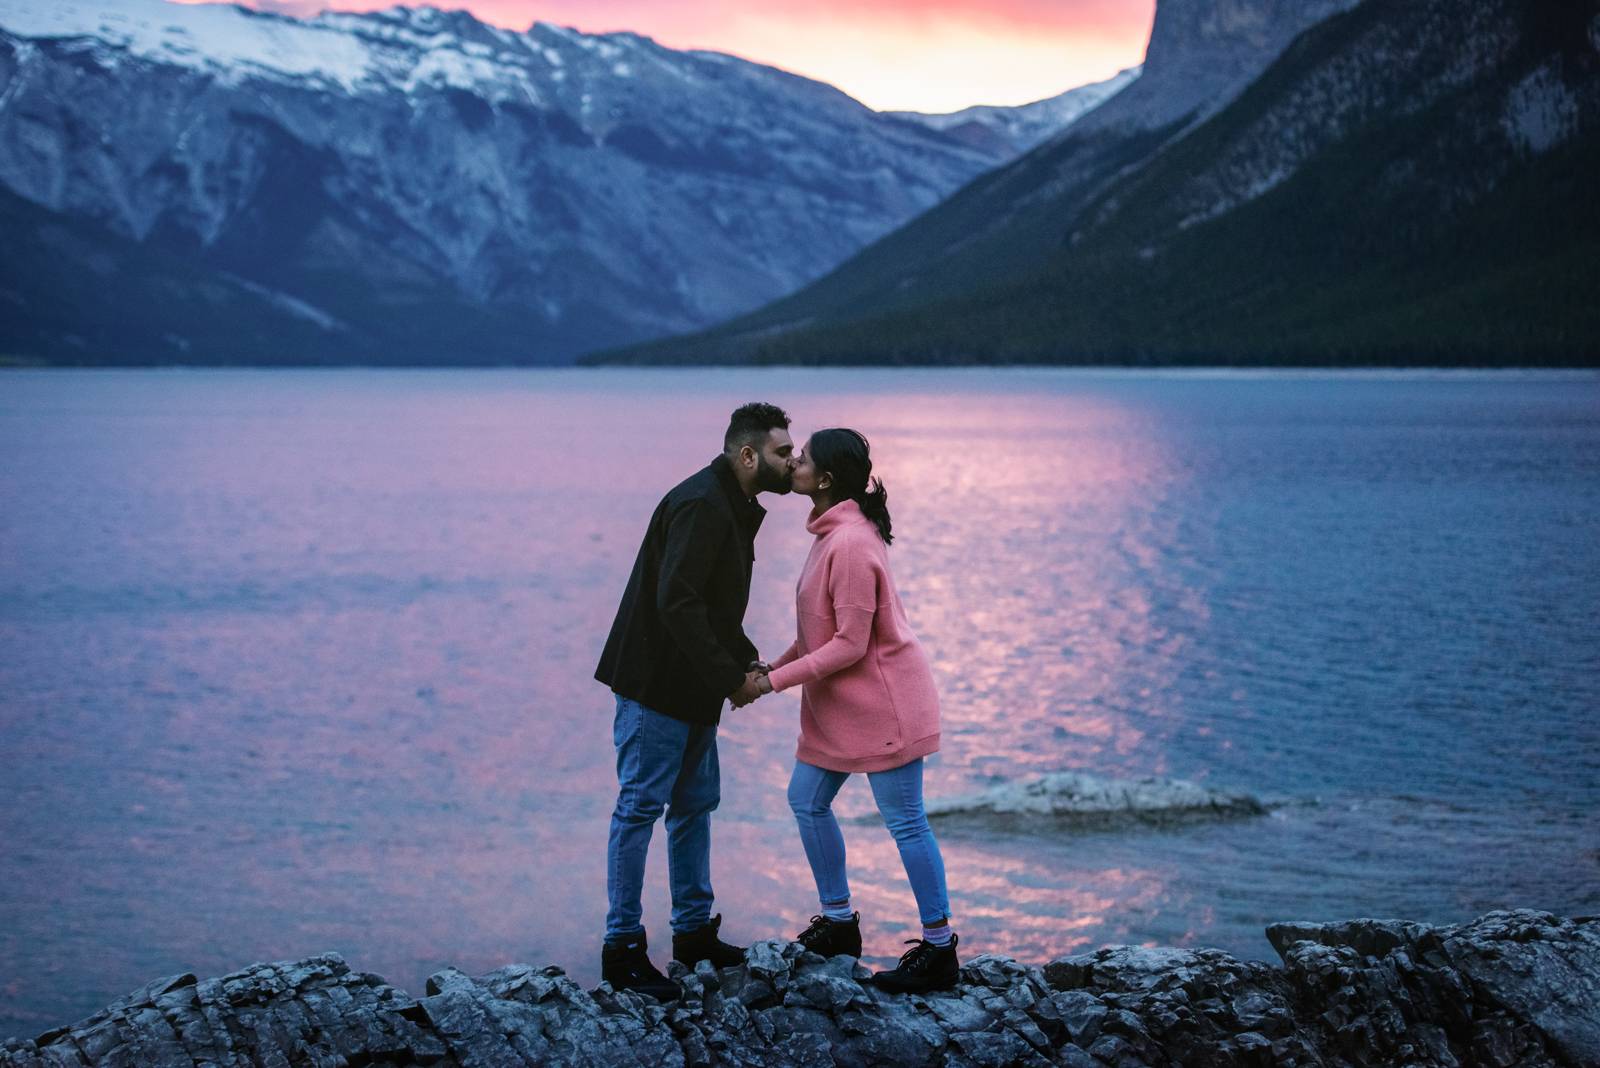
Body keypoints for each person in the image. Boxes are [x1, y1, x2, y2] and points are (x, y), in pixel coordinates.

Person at [594, 402, 795, 1000]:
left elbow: (712, 606)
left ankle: (691, 933)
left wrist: (740, 660)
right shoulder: (702, 505)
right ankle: (621, 949)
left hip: (692, 688)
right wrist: (732, 680)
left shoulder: (730, 505)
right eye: (785, 452)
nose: (795, 461)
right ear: (749, 455)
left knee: (694, 807)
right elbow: (676, 603)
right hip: (657, 686)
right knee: (639, 809)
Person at [752, 427, 960, 994]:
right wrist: (771, 668)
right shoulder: (831, 534)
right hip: (843, 709)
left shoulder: (849, 544)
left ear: (824, 480)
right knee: (806, 800)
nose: (793, 463)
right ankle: (840, 923)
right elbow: (818, 632)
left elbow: (848, 643)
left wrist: (771, 685)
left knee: (906, 822)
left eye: (804, 459)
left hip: (885, 707)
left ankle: (940, 950)